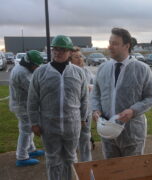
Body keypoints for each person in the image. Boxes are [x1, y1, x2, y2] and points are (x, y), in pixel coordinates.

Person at [91, 28, 152, 159]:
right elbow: (95, 94)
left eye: (115, 43)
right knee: (112, 171)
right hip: (108, 132)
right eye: (109, 42)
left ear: (127, 46)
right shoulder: (102, 68)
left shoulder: (142, 69)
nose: (110, 46)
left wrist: (133, 111)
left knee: (132, 172)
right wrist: (95, 109)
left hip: (132, 134)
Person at [27, 35, 88, 180]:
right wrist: (34, 123)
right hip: (49, 125)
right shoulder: (41, 72)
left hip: (71, 125)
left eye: (62, 49)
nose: (58, 52)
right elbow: (32, 100)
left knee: (71, 158)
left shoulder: (78, 73)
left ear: (69, 52)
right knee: (53, 159)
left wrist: (82, 119)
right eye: (55, 49)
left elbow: (84, 99)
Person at [9, 50, 45, 167]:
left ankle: (31, 150)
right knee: (26, 131)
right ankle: (22, 157)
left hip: (21, 105)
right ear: (29, 63)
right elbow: (34, 91)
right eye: (35, 65)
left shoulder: (22, 69)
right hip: (22, 106)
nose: (36, 68)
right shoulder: (22, 73)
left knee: (28, 129)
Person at [70, 47, 94, 162]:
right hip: (72, 112)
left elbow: (96, 86)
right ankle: (72, 166)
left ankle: (87, 163)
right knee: (71, 140)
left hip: (87, 111)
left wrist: (91, 88)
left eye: (81, 56)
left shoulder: (86, 71)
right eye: (76, 57)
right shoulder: (68, 73)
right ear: (70, 60)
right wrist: (84, 88)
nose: (80, 59)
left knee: (85, 137)